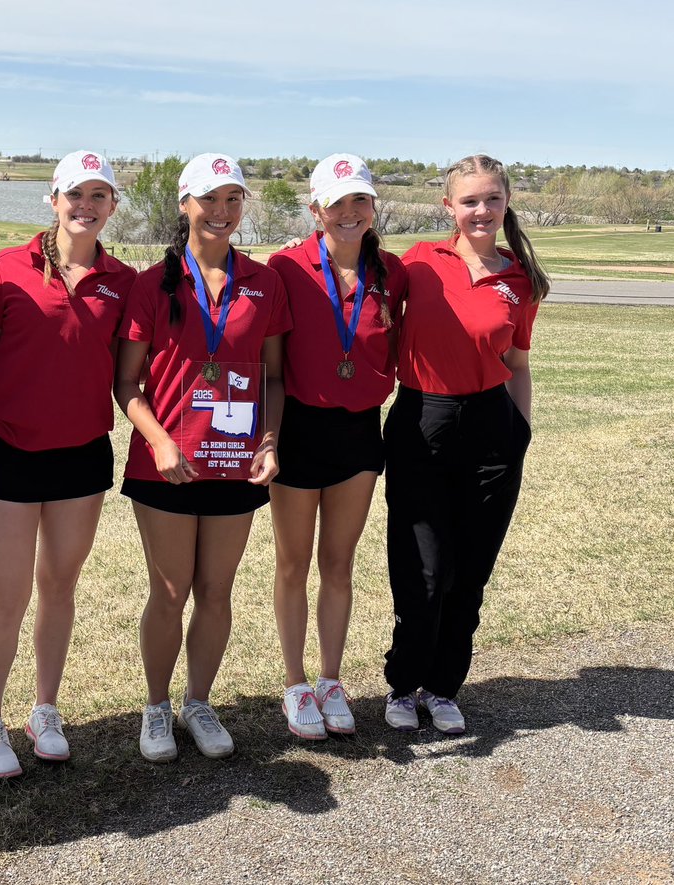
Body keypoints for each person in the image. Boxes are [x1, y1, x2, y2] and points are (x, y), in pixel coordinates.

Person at [0, 151, 136, 777]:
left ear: (112, 206)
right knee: (7, 595)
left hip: (82, 456)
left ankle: (45, 709)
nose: (85, 207)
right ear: (53, 200)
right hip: (7, 452)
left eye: (99, 197)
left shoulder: (124, 280)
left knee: (59, 587)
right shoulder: (9, 268)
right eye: (74, 196)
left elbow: (129, 375)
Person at [115, 153, 290, 762]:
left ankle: (199, 702)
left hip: (234, 459)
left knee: (217, 589)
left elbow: (272, 376)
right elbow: (127, 384)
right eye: (209, 200)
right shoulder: (150, 284)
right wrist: (160, 440)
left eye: (233, 200)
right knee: (170, 588)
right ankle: (157, 707)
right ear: (185, 205)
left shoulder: (264, 283)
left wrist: (269, 440)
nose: (221, 212)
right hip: (167, 462)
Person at [382, 153, 549, 734]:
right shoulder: (419, 263)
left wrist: (520, 431)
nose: (482, 210)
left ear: (506, 203)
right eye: (470, 200)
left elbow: (518, 362)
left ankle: (444, 685)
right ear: (448, 206)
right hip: (422, 418)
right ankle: (404, 683)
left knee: (470, 570)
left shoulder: (519, 278)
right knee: (423, 568)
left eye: (492, 199)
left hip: (492, 428)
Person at [266, 155, 407, 739]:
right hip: (299, 428)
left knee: (339, 563)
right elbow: (269, 357)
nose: (349, 214)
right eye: (337, 203)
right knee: (293, 562)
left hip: (359, 432)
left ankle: (331, 678)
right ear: (315, 208)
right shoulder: (285, 267)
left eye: (360, 202)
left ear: (373, 208)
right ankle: (296, 683)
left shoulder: (392, 272)